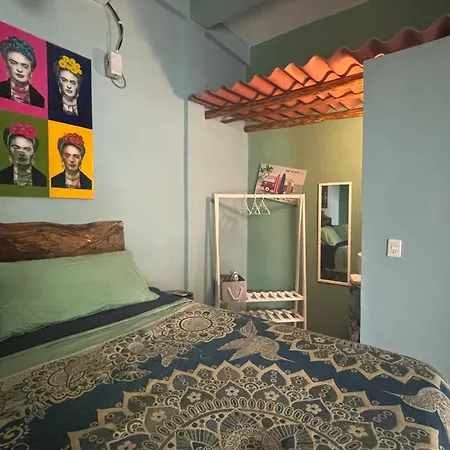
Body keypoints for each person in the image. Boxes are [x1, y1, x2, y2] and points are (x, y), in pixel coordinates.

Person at [0, 36, 44, 107]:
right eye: (13, 63)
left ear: (31, 69)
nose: (19, 69)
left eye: (25, 66)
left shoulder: (40, 99)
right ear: (7, 65)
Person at [0, 122, 47, 186]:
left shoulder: (42, 179)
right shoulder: (2, 176)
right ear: (9, 150)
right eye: (16, 148)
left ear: (33, 152)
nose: (22, 153)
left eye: (27, 149)